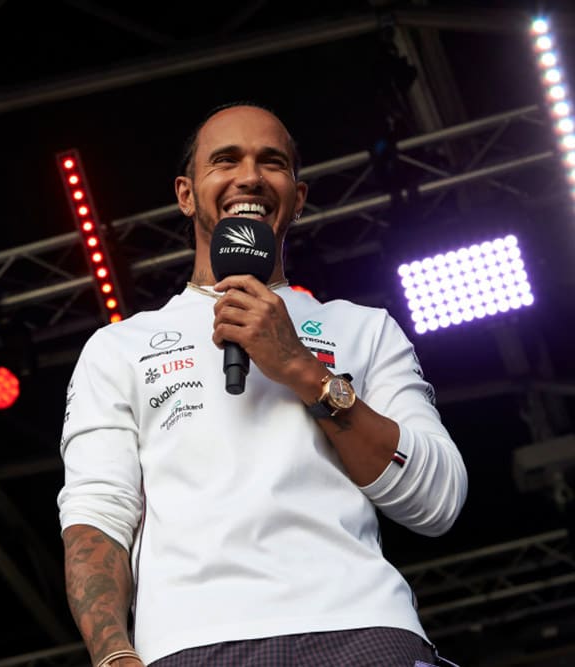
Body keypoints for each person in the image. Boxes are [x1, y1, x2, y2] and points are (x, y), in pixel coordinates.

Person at [56, 102, 468, 667]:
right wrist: (113, 655)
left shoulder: (364, 328)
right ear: (185, 194)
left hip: (362, 625)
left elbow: (437, 499)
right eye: (225, 160)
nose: (249, 176)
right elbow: (97, 516)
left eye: (271, 162)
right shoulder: (119, 348)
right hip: (192, 643)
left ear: (297, 198)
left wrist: (301, 369)